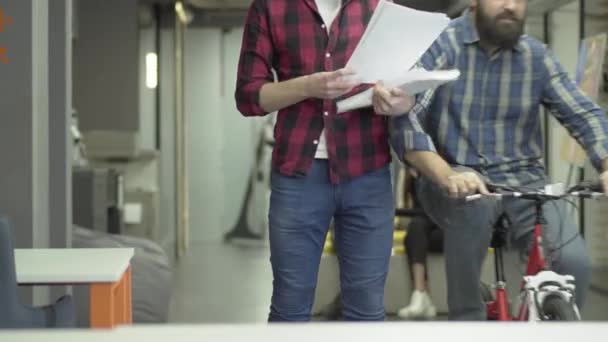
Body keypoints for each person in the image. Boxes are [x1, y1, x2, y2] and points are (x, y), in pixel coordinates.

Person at [374, 0, 608, 320]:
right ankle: (467, 321)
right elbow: (405, 118)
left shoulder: (536, 56)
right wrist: (445, 174)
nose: (510, 6)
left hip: (526, 181)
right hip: (454, 178)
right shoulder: (442, 43)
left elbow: (583, 114)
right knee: (475, 205)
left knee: (572, 261)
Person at [234, 0, 414, 322]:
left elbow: (408, 90)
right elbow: (248, 97)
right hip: (298, 175)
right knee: (290, 307)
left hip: (367, 173)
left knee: (367, 310)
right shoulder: (271, 7)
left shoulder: (379, 7)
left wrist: (400, 101)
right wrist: (307, 86)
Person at [397, 171, 442, 319]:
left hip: (445, 231)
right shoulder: (407, 173)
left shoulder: (444, 166)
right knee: (414, 231)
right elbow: (402, 217)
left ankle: (421, 295)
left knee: (416, 227)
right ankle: (422, 295)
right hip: (422, 233)